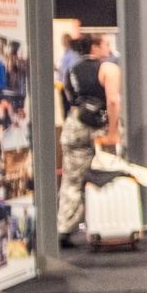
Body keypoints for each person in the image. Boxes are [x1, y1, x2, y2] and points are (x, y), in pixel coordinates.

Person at [56, 32, 121, 240]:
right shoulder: (108, 69)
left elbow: (69, 97)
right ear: (94, 47)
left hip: (74, 125)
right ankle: (111, 225)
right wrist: (113, 132)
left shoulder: (71, 70)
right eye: (105, 44)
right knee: (109, 175)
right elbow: (112, 101)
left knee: (72, 180)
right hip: (98, 127)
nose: (108, 48)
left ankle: (64, 228)